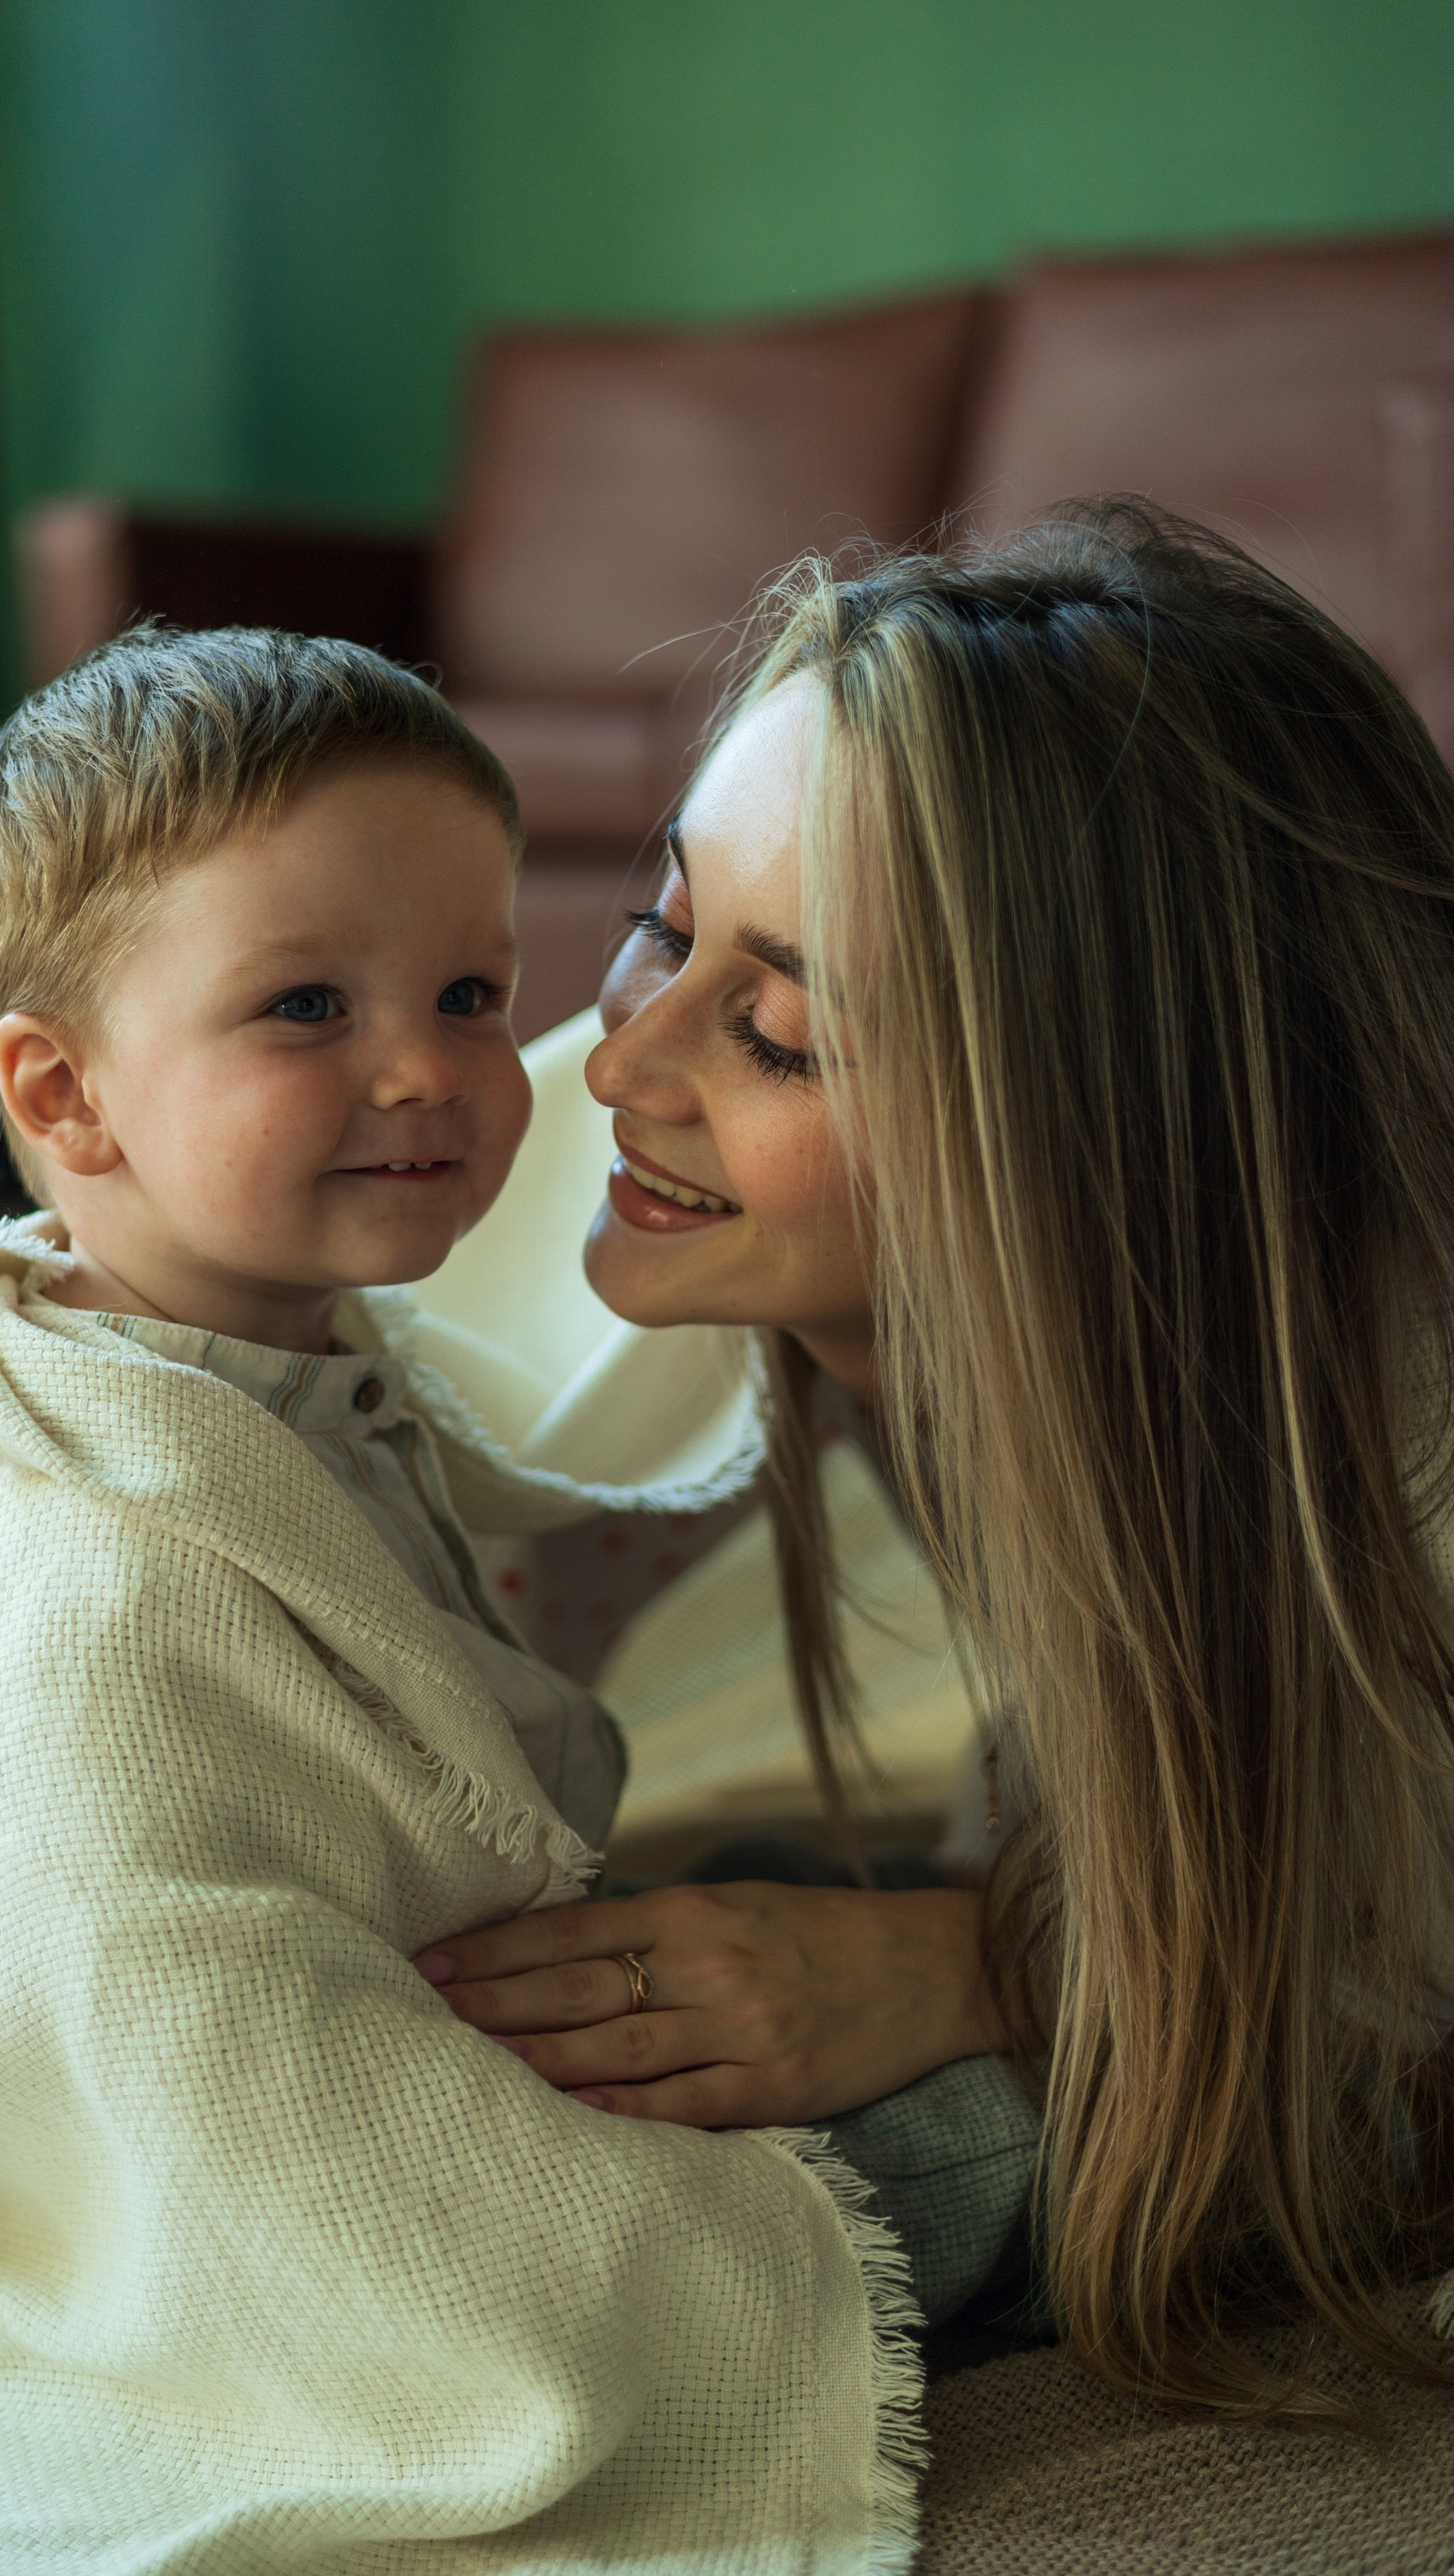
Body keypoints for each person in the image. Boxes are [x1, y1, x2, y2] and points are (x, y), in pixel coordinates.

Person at [0, 629, 923, 2569]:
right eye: (305, 1007)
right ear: (69, 1093)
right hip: (292, 2148)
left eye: (472, 992)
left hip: (431, 1995)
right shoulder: (105, 1586)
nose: (428, 1073)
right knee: (1037, 2156)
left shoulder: (319, 1372)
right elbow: (164, 1983)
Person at [413, 502, 1454, 2418]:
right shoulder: (577, 1126)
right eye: (658, 925)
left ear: (1099, 1154)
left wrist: (997, 1971)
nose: (627, 1062)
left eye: (784, 1036)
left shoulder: (1395, 1470)